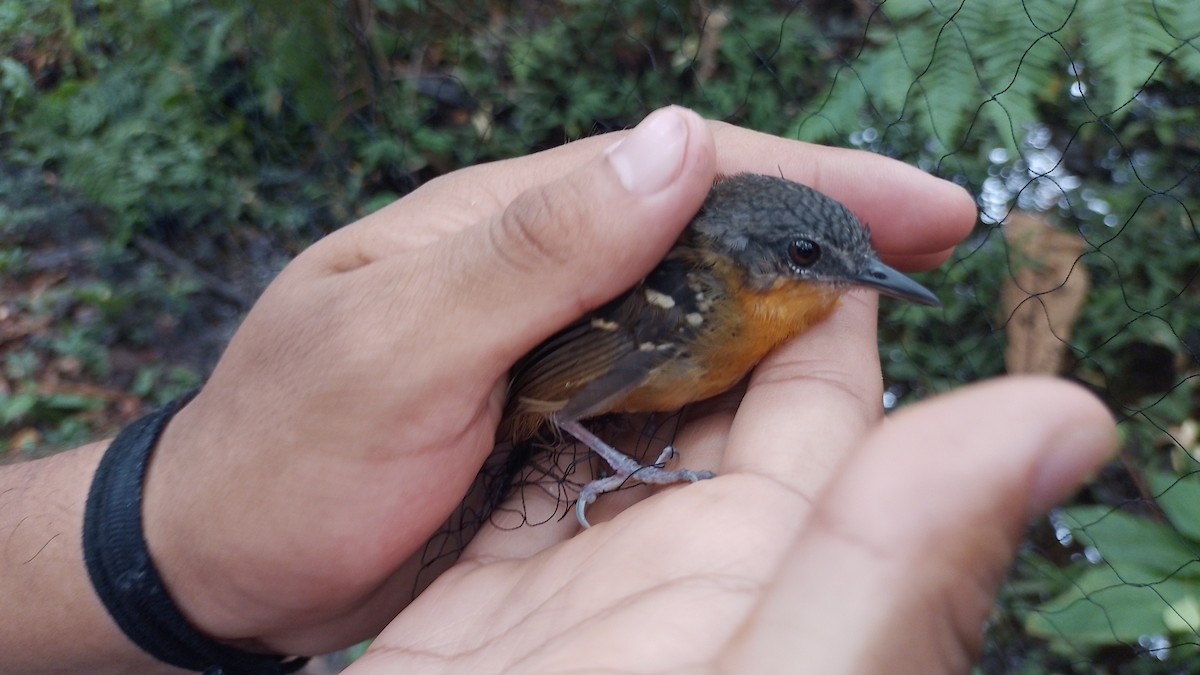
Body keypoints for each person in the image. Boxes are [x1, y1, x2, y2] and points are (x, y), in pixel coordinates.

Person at [0, 106, 1115, 674]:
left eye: (849, 264)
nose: (852, 284)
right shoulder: (705, 292)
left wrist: (171, 554)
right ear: (761, 259)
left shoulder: (787, 294)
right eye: (823, 266)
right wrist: (617, 464)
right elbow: (558, 386)